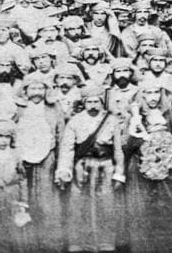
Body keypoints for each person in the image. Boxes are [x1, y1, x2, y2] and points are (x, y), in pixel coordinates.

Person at [56, 84, 125, 253]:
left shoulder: (111, 120)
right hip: (83, 166)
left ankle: (105, 242)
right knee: (79, 205)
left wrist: (119, 172)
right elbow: (67, 148)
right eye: (89, 102)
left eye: (96, 102)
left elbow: (118, 149)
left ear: (102, 102)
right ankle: (78, 243)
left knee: (106, 205)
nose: (93, 105)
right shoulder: (75, 120)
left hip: (106, 165)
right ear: (84, 102)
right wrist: (65, 170)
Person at [125, 75, 172, 252]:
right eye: (148, 93)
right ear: (141, 95)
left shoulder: (168, 116)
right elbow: (125, 145)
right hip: (139, 167)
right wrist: (138, 136)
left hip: (164, 168)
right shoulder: (134, 116)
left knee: (166, 207)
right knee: (141, 209)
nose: (153, 97)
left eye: (156, 93)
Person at [15, 73, 64, 252]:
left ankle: (50, 244)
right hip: (22, 158)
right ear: (25, 90)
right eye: (33, 88)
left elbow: (61, 134)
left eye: (40, 88)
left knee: (46, 200)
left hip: (47, 158)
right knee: (23, 198)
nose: (37, 92)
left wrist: (60, 161)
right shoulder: (17, 108)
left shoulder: (54, 108)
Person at [0, 121, 30, 252]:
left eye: (7, 137)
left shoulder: (16, 154)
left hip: (12, 193)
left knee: (12, 226)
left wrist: (23, 201)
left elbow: (22, 178)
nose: (3, 141)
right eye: (0, 136)